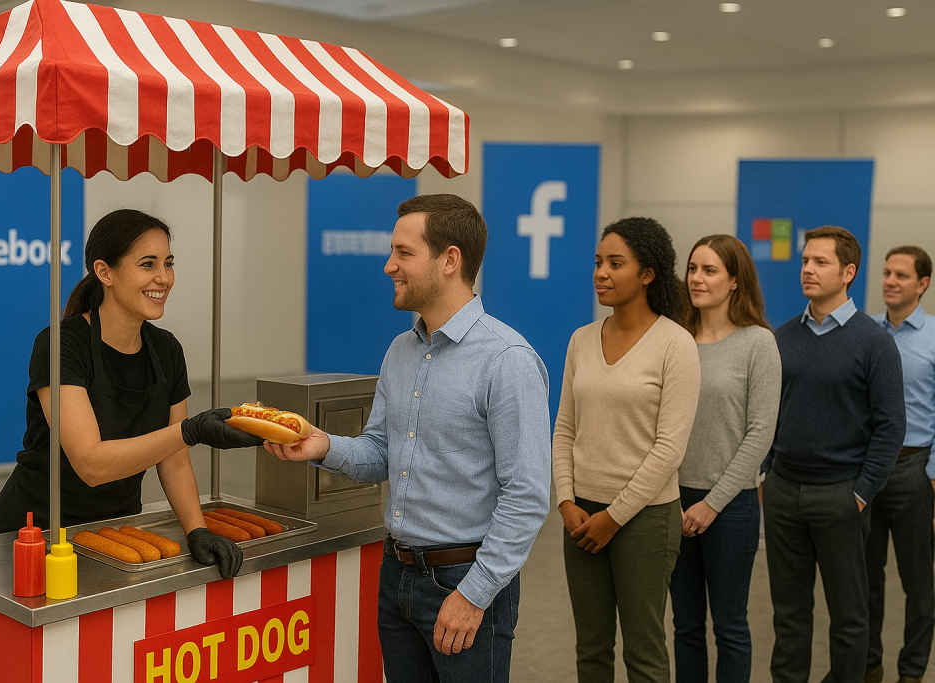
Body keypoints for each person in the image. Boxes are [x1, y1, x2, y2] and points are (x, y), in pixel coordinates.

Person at [264, 193, 551, 683]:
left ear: (449, 260)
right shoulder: (401, 351)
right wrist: (321, 444)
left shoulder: (507, 360)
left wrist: (474, 594)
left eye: (403, 253)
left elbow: (526, 496)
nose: (388, 265)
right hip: (397, 574)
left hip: (465, 579)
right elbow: (381, 452)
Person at [0, 209, 262, 579]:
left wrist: (197, 530)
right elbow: (91, 464)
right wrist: (190, 430)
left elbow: (174, 459)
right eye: (147, 264)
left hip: (115, 535)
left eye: (168, 263)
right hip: (36, 535)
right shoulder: (61, 345)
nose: (163, 278)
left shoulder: (166, 350)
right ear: (105, 272)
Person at [553, 216, 701, 683]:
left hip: (644, 519)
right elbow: (564, 430)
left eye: (615, 263)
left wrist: (613, 517)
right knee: (591, 649)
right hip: (580, 517)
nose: (601, 272)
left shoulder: (676, 344)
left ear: (648, 274)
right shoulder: (581, 339)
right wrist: (565, 501)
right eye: (598, 262)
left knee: (644, 651)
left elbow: (669, 449)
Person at [761, 225, 906, 683]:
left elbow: (891, 427)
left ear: (848, 272)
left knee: (849, 618)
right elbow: (769, 415)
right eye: (805, 260)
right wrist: (766, 475)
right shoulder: (782, 337)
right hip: (783, 494)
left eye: (820, 262)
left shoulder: (874, 341)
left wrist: (861, 493)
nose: (807, 269)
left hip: (842, 496)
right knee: (789, 616)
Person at [668, 234, 781, 683]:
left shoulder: (758, 344)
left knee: (730, 626)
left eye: (709, 270)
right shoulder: (674, 339)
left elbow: (760, 435)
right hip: (671, 502)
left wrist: (711, 503)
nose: (696, 278)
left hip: (730, 504)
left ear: (735, 281)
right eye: (693, 268)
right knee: (686, 625)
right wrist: (669, 497)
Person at [865, 246, 935, 683]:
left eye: (902, 275)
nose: (890, 281)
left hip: (915, 471)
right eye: (887, 272)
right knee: (865, 579)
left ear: (922, 284)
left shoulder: (932, 337)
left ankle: (911, 672)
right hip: (867, 472)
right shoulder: (866, 333)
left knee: (918, 586)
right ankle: (869, 665)